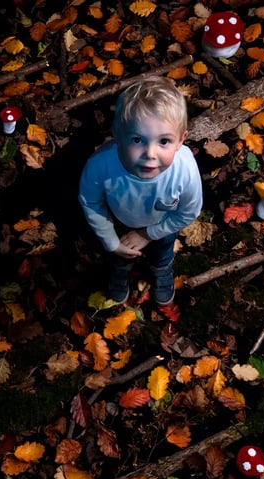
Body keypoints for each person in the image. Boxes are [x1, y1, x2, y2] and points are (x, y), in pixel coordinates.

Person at [79, 75, 203, 306]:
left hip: (164, 224)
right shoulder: (101, 165)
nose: (151, 153)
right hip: (119, 221)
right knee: (120, 255)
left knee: (163, 251)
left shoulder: (184, 169)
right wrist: (111, 241)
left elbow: (188, 212)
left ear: (180, 140)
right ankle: (121, 269)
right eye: (137, 139)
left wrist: (148, 233)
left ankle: (161, 268)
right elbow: (90, 201)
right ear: (117, 136)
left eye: (164, 141)